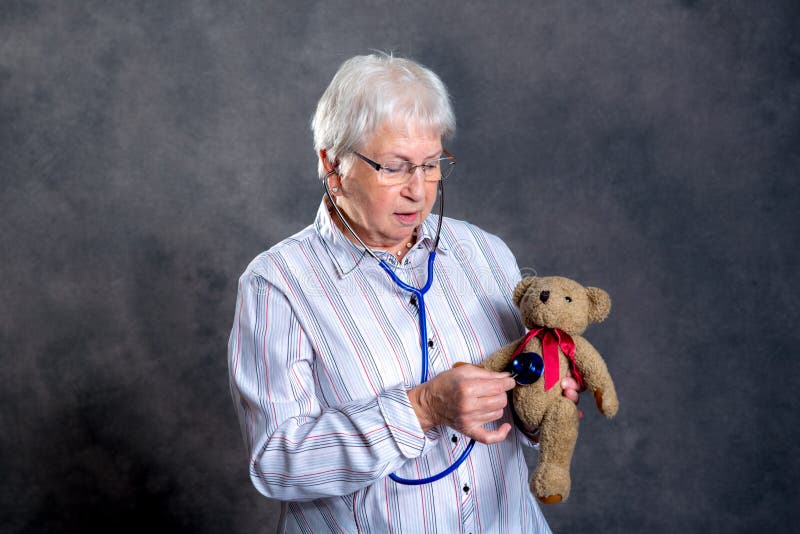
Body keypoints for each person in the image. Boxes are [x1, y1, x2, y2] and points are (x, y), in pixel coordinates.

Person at [228, 53, 581, 533]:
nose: (419, 191)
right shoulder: (277, 285)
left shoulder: (485, 252)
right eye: (394, 168)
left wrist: (544, 402)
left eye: (431, 165)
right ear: (333, 166)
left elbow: (521, 411)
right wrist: (424, 408)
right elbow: (276, 462)